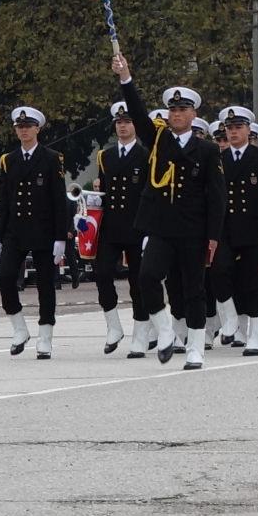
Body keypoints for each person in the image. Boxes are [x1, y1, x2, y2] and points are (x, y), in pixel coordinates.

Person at [113, 53, 225, 370]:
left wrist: (213, 237)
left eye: (182, 109)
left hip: (193, 229)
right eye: (172, 109)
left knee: (193, 289)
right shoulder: (158, 139)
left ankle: (195, 348)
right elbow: (135, 110)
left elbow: (217, 197)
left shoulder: (207, 149)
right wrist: (126, 77)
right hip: (161, 228)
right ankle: (164, 331)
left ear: (193, 114)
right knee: (147, 278)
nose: (176, 114)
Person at [0, 106, 68, 358]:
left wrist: (61, 236)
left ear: (37, 129)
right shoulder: (8, 160)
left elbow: (59, 200)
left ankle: (45, 336)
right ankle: (19, 328)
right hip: (15, 230)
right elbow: (4, 200)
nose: (23, 131)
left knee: (45, 284)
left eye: (28, 126)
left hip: (43, 230)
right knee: (5, 277)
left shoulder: (51, 158)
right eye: (19, 127)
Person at [210, 105, 258, 356]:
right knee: (219, 271)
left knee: (253, 282)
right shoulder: (219, 159)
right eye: (229, 129)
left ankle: (257, 335)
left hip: (254, 230)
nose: (233, 133)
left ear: (248, 130)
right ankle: (229, 316)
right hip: (226, 230)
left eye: (238, 127)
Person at [93, 101, 151, 356]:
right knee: (102, 273)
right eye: (119, 122)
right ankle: (113, 325)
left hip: (138, 226)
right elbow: (104, 191)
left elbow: (151, 194)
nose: (123, 126)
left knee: (138, 282)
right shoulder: (105, 156)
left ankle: (140, 334)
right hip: (111, 226)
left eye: (127, 122)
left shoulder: (147, 154)